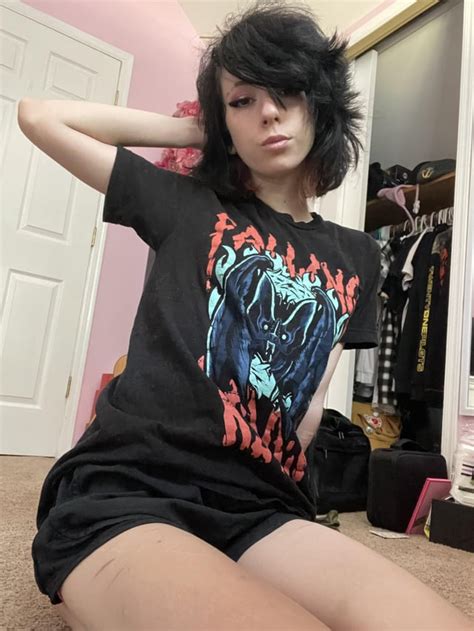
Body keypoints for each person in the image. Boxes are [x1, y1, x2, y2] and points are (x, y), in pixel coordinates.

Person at [18, 2, 472, 630]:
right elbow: (39, 117)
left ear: (322, 104)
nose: (268, 112)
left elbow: (309, 401)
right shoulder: (186, 204)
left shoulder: (360, 255)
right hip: (133, 488)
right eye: (242, 100)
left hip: (261, 505)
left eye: (288, 90)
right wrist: (197, 130)